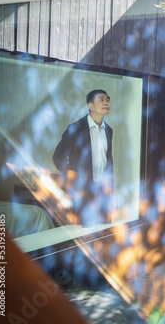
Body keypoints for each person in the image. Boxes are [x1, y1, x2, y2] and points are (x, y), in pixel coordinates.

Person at [53, 89, 114, 226]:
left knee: (103, 232)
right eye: (101, 100)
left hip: (102, 193)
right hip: (82, 192)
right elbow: (58, 157)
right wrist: (72, 176)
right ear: (90, 106)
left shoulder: (108, 130)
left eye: (107, 100)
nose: (106, 103)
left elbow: (108, 160)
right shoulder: (75, 128)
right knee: (82, 232)